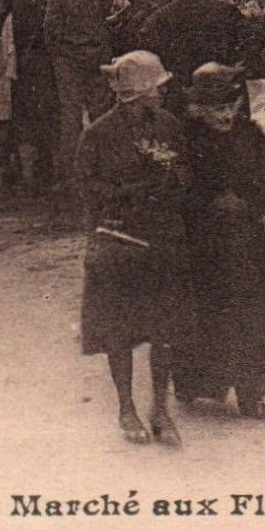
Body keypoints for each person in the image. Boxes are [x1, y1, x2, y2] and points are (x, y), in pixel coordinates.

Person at [76, 50, 192, 446]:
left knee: (165, 331)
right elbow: (88, 191)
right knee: (120, 331)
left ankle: (161, 408)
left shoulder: (170, 125)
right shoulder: (99, 135)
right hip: (120, 239)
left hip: (162, 237)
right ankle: (126, 407)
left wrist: (175, 179)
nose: (162, 94)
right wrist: (132, 195)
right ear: (139, 93)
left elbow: (185, 173)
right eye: (157, 88)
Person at [172, 63, 265, 421]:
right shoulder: (185, 142)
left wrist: (248, 205)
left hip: (244, 240)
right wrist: (210, 204)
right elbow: (178, 192)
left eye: (231, 106)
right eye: (217, 108)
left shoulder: (251, 137)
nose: (226, 114)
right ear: (197, 109)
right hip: (202, 243)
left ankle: (253, 394)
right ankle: (197, 384)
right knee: (204, 313)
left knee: (250, 316)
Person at [45, 0, 152, 187]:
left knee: (70, 115)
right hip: (100, 50)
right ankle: (104, 169)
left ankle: (70, 176)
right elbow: (144, 3)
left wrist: (58, 51)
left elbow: (50, 24)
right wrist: (117, 21)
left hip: (68, 54)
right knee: (101, 111)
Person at [136, 0, 252, 111]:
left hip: (179, 90)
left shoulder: (162, 15)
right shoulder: (227, 11)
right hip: (220, 89)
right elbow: (253, 39)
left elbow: (144, 47)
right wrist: (236, 66)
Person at [0, 0, 58, 190]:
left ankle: (27, 173)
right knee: (49, 111)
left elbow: (0, 24)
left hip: (22, 60)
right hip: (48, 58)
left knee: (24, 113)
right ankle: (47, 170)